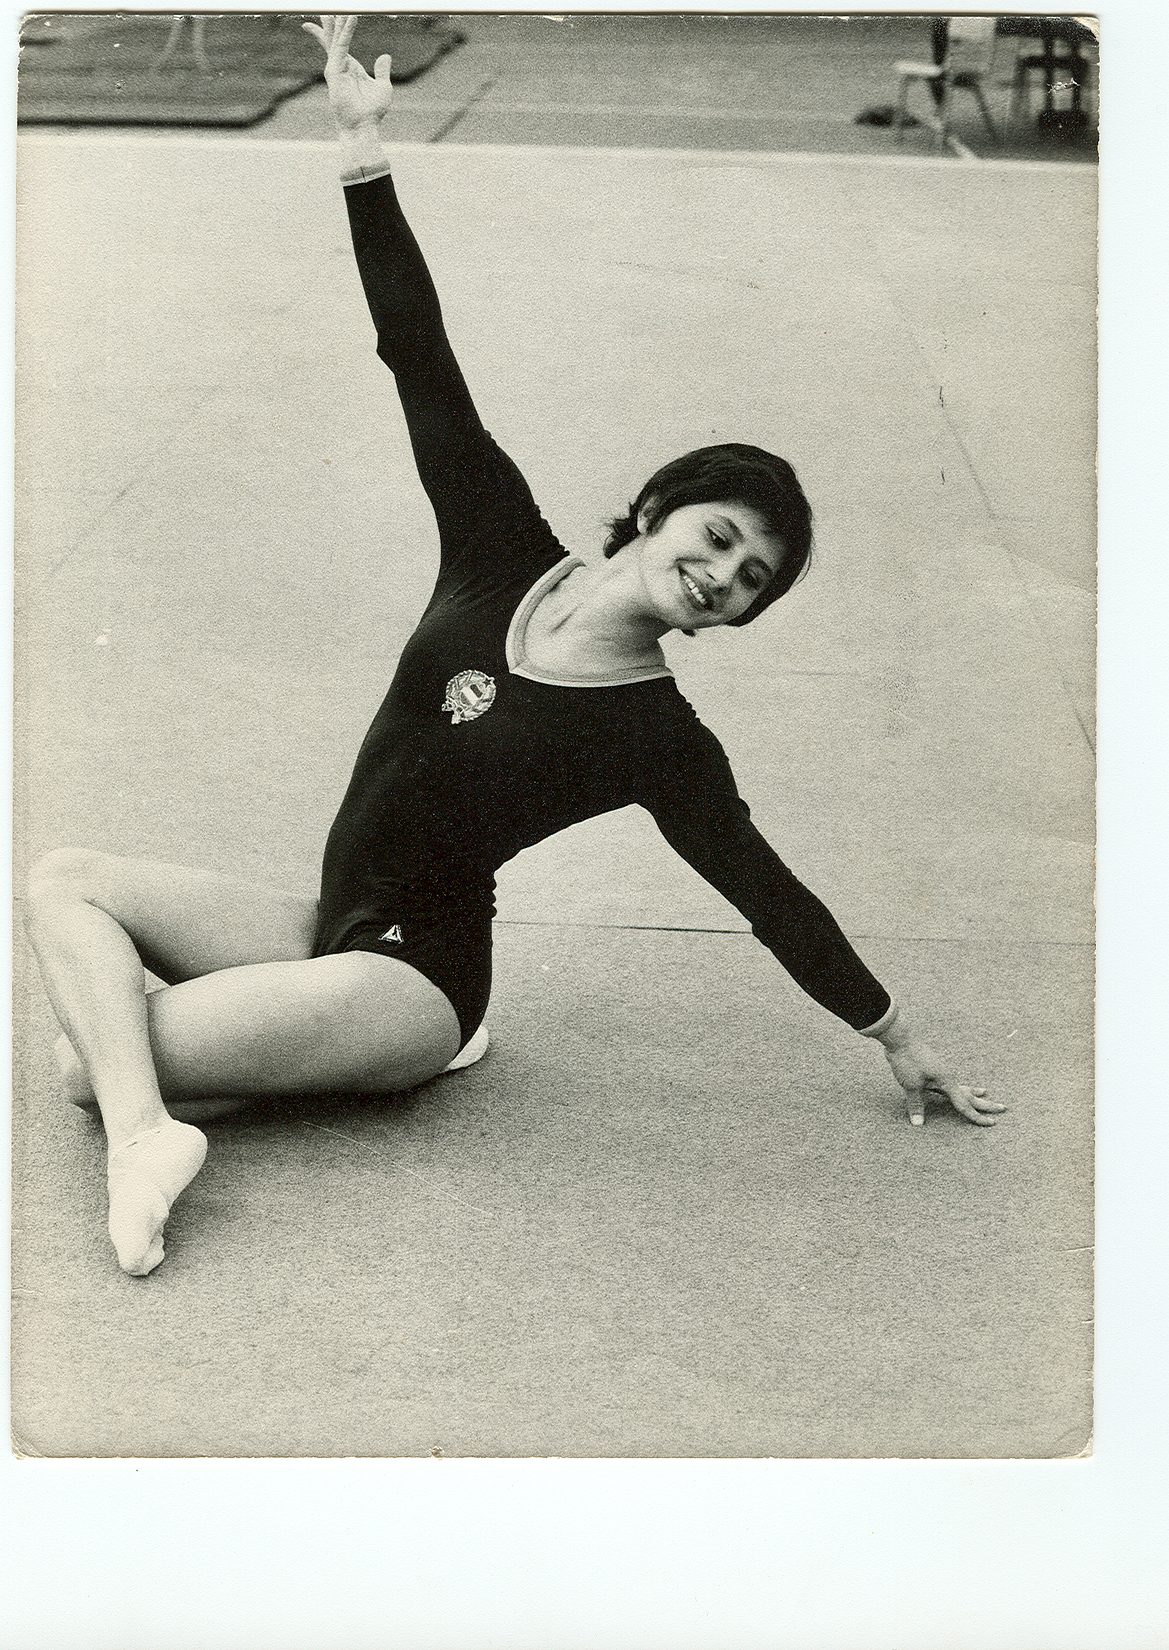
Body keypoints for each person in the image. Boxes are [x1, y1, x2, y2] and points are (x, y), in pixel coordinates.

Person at [25, 14, 1003, 1279]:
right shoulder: (497, 546)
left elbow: (766, 894)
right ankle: (167, 1114)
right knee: (65, 881)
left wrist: (895, 1032)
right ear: (656, 510)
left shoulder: (656, 736)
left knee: (87, 1056)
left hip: (417, 983)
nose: (720, 576)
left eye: (748, 582)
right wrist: (362, 152)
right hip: (329, 921)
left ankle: (163, 1127)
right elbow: (417, 357)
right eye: (716, 538)